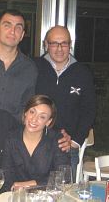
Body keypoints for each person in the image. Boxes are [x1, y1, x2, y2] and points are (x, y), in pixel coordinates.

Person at [34, 25, 96, 177]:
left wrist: (75, 141)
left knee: (63, 192)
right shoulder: (34, 67)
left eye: (64, 43)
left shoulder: (83, 73)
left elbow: (89, 110)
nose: (59, 48)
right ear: (46, 45)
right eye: (54, 43)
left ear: (70, 45)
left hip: (66, 148)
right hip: (35, 144)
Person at [2, 95, 71, 191]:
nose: (34, 119)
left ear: (48, 121)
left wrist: (30, 184)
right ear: (25, 112)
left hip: (46, 196)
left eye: (42, 117)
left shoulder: (57, 140)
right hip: (17, 196)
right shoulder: (11, 138)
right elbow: (6, 174)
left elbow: (64, 177)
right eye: (32, 112)